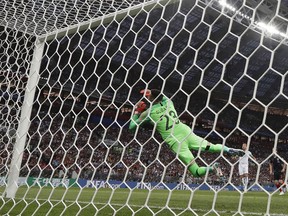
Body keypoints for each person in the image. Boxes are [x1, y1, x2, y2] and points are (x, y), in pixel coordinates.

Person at [129, 89, 244, 179]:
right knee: (211, 147)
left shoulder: (148, 113)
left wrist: (137, 111)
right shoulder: (169, 102)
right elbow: (161, 96)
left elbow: (131, 127)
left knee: (195, 171)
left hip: (176, 141)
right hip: (186, 132)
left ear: (151, 98)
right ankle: (228, 150)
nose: (147, 97)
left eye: (148, 96)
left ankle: (212, 168)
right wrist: (152, 92)